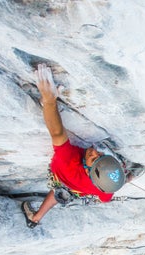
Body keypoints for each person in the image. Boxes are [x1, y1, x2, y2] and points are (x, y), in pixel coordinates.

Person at [21, 64, 128, 228]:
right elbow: (105, 198)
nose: (95, 152)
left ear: (87, 168)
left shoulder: (68, 160)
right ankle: (34, 219)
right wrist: (126, 178)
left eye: (93, 159)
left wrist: (49, 100)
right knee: (60, 192)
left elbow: (57, 133)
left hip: (61, 174)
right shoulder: (105, 186)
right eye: (101, 156)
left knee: (59, 189)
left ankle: (35, 218)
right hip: (74, 188)